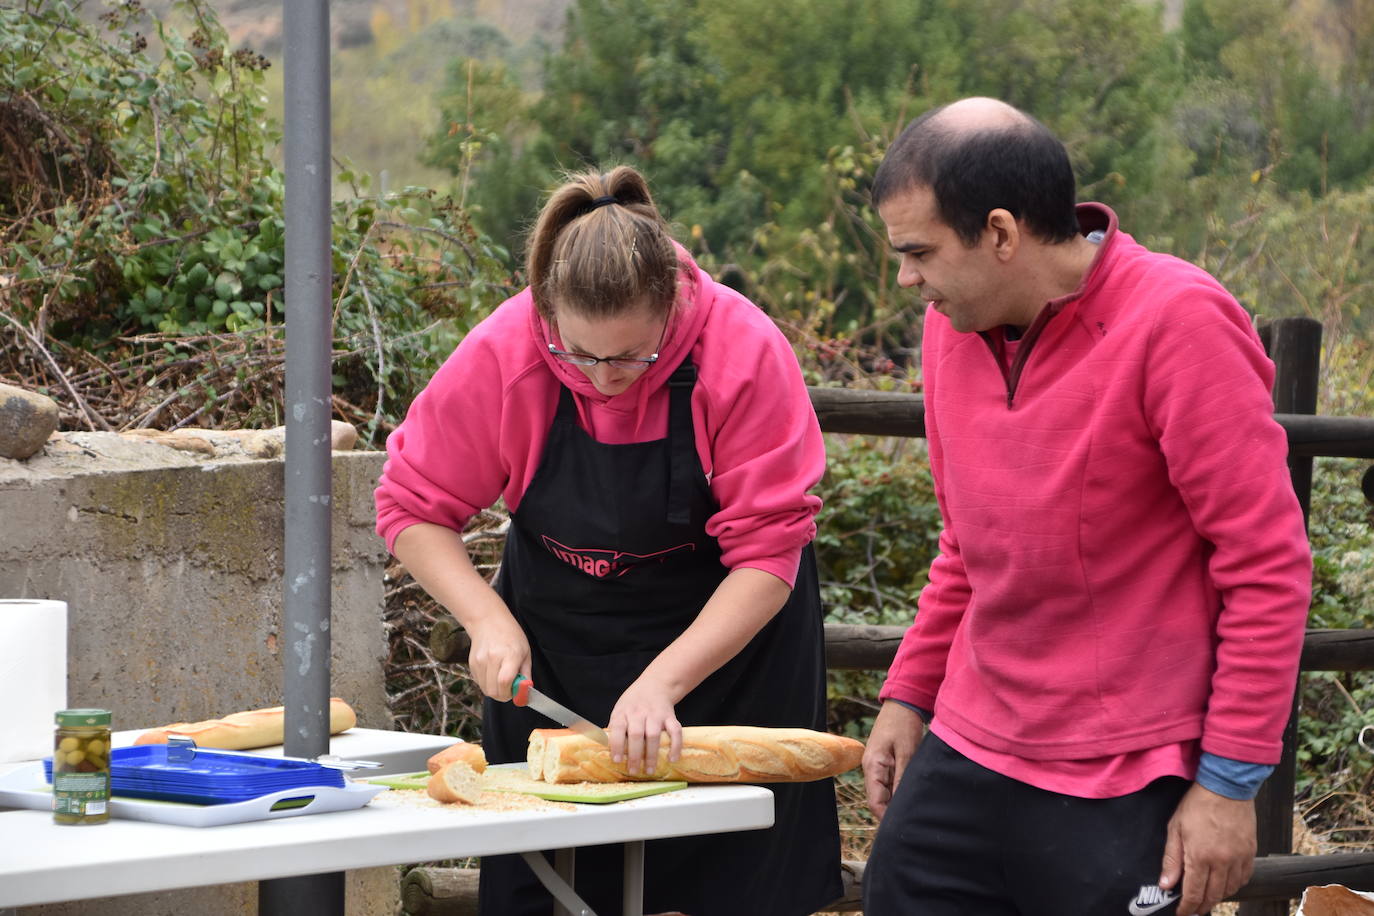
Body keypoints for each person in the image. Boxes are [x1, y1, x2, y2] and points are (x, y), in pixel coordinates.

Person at [860, 98, 1313, 916]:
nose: (906, 279)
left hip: (1127, 767)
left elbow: (1267, 565)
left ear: (1000, 234)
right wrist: (910, 692)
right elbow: (967, 541)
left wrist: (1229, 785)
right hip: (972, 738)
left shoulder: (1178, 322)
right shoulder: (952, 326)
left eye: (919, 252)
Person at [375, 165, 842, 916]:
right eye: (578, 355)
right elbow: (411, 506)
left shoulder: (742, 350)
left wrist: (663, 683)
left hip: (732, 650)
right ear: (549, 313)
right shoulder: (504, 351)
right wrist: (487, 620)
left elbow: (767, 554)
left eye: (631, 358)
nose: (603, 379)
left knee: (743, 886)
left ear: (672, 307)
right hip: (561, 649)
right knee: (549, 890)